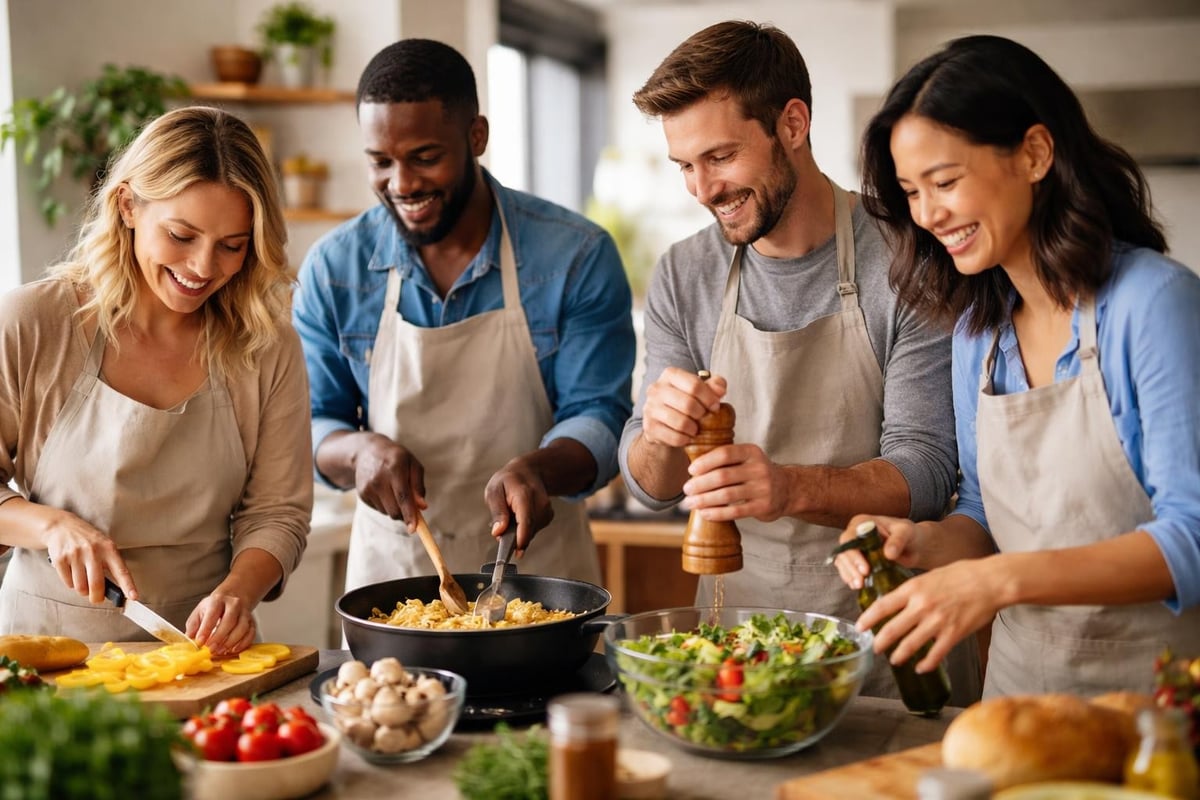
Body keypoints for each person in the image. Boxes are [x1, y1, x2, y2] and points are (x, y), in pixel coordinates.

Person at [619, 20, 978, 702]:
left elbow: (926, 471)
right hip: (734, 647)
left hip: (888, 634)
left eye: (720, 157)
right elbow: (652, 485)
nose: (701, 189)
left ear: (792, 123)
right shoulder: (684, 273)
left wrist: (789, 490)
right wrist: (661, 434)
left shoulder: (909, 259)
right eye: (685, 166)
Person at [833, 34, 1200, 697]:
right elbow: (981, 516)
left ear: (1034, 153)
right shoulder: (979, 333)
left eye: (945, 182)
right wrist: (917, 543)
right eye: (913, 192)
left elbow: (1191, 540)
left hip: (1160, 712)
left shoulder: (1155, 305)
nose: (928, 215)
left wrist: (999, 580)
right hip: (1018, 702)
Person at [292, 39, 635, 591]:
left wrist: (540, 470)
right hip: (393, 582)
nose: (401, 185)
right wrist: (359, 451)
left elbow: (601, 413)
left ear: (477, 136)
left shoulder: (574, 255)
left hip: (542, 582)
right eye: (381, 162)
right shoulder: (335, 268)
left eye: (425, 157)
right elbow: (309, 425)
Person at [0, 106, 312, 655]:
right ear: (127, 206)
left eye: (232, 245)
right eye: (181, 234)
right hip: (46, 654)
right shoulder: (32, 322)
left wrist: (239, 594)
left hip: (205, 658)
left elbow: (278, 513)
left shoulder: (266, 345)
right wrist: (51, 527)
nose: (202, 266)